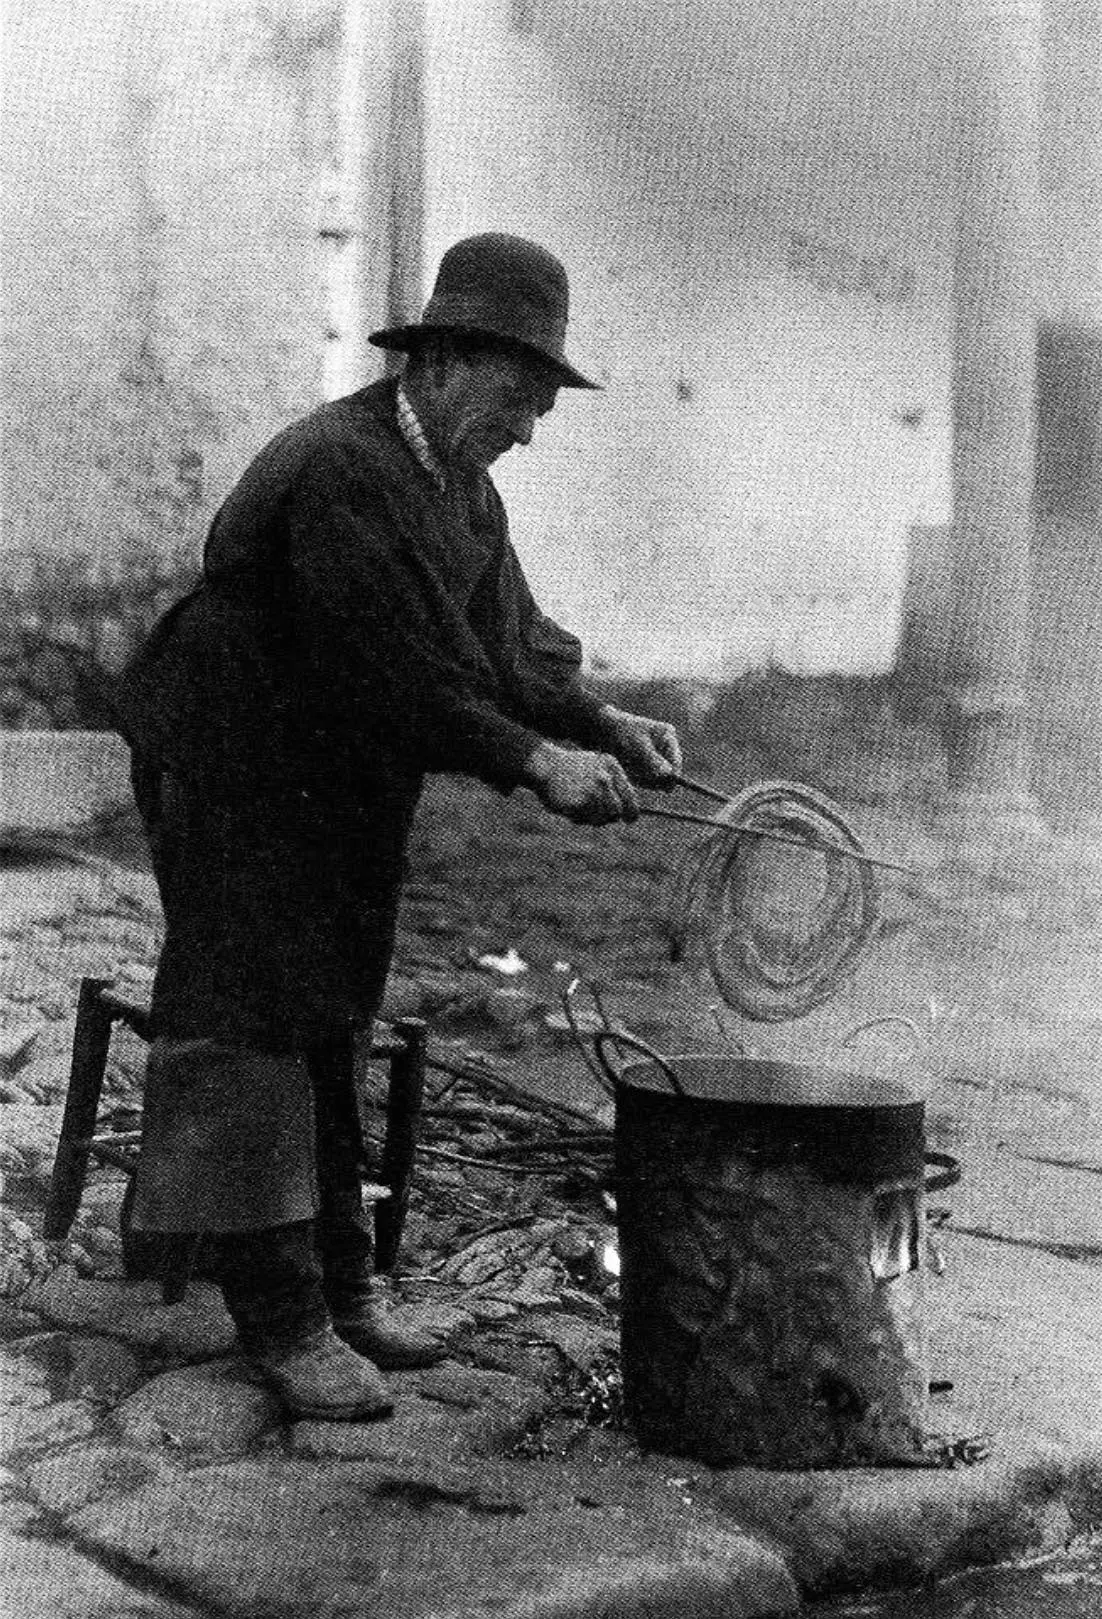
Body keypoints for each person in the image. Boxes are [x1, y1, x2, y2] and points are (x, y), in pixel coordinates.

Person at [116, 233, 682, 1423]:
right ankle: (282, 1323)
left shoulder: (460, 485)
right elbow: (398, 668)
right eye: (523, 396)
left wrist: (600, 717)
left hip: (339, 777)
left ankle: (338, 1283)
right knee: (253, 1012)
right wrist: (535, 761)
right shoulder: (340, 467)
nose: (530, 427)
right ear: (449, 361)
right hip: (234, 758)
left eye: (541, 407)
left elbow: (505, 642)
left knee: (334, 1013)